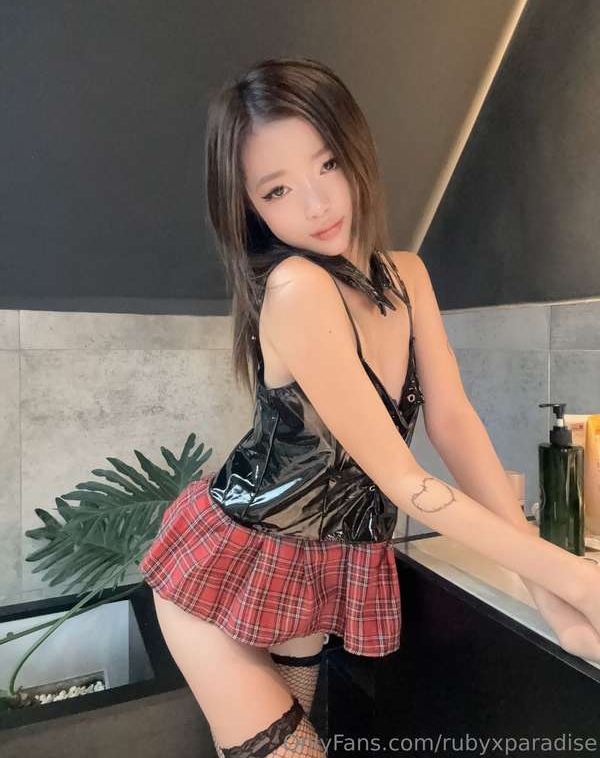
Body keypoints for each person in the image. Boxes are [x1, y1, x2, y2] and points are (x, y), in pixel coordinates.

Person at [138, 56, 600, 758]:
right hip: (225, 569)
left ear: (355, 147)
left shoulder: (407, 274)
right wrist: (572, 578)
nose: (316, 204)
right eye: (277, 189)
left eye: (327, 164)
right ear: (252, 210)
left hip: (304, 581)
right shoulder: (297, 287)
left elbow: (452, 421)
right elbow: (403, 479)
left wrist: (551, 595)